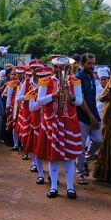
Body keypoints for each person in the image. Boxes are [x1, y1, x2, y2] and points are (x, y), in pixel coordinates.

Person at [37, 56, 84, 199]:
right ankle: (54, 187)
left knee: (69, 156)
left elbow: (80, 101)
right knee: (53, 156)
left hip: (69, 121)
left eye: (64, 67)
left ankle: (70, 187)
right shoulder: (45, 81)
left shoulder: (75, 81)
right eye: (58, 67)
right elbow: (39, 100)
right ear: (54, 68)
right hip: (52, 121)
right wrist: (53, 95)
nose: (62, 70)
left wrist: (72, 98)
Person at [75, 53, 101, 185]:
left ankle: (85, 160)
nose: (91, 66)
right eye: (89, 63)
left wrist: (94, 116)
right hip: (82, 117)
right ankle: (80, 174)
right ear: (82, 64)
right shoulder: (77, 78)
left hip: (94, 115)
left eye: (93, 63)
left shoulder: (92, 76)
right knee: (80, 147)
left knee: (98, 140)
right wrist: (91, 117)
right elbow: (81, 100)